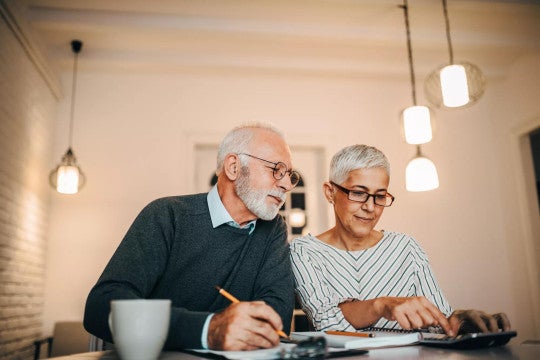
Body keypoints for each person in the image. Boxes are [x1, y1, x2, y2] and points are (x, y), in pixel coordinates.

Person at [84, 124, 300, 351]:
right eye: (277, 169)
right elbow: (100, 308)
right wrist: (208, 330)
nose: (286, 185)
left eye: (289, 175)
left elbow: (276, 319)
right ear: (234, 167)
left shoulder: (273, 229)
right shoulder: (167, 215)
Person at [290, 144, 510, 336]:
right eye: (358, 193)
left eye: (380, 196)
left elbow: (438, 324)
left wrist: (461, 320)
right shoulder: (304, 251)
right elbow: (328, 324)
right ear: (330, 192)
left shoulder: (406, 248)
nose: (370, 207)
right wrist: (381, 306)